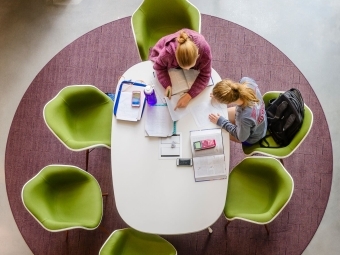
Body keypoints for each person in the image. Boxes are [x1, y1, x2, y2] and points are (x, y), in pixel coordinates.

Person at [149, 29, 212, 109]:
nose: (188, 70)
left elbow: (206, 76)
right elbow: (159, 68)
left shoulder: (205, 52)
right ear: (175, 57)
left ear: (198, 55)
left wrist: (189, 96)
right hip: (166, 48)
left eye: (190, 66)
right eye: (183, 67)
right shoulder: (167, 53)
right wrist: (167, 85)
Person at [209, 77, 267, 145]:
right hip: (260, 120)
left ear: (227, 103)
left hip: (253, 137)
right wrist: (218, 95)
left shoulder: (243, 117)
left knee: (220, 131)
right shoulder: (246, 81)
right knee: (223, 116)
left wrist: (222, 122)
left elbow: (241, 138)